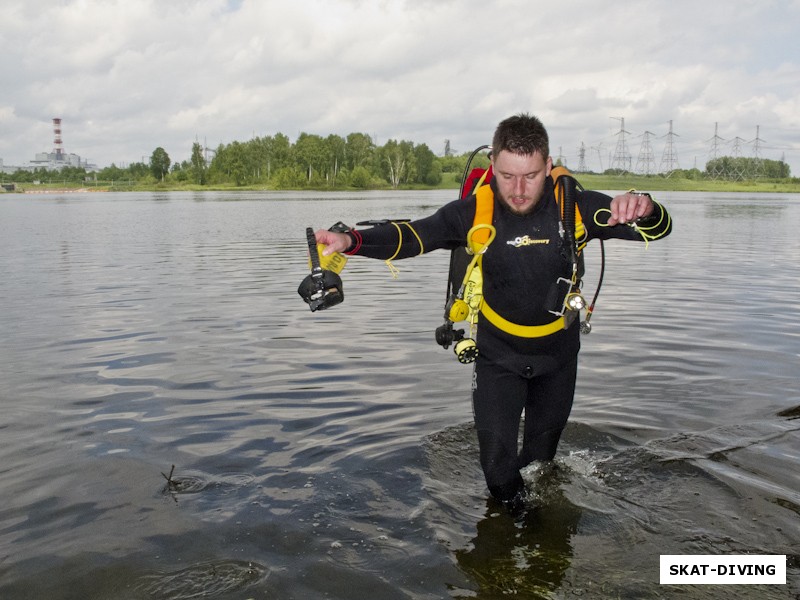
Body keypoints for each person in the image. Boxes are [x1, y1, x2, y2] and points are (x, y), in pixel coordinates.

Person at [313, 113, 672, 510]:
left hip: (558, 358)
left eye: (531, 176)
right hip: (498, 357)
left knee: (539, 465)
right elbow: (414, 235)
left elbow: (658, 229)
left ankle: (537, 541)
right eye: (507, 176)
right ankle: (518, 537)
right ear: (493, 167)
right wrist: (350, 240)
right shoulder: (473, 211)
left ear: (548, 166)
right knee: (499, 477)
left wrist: (646, 206)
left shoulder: (577, 208)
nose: (518, 190)